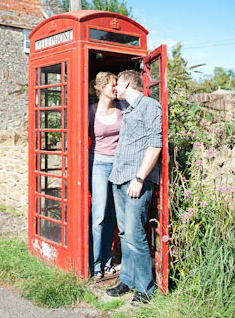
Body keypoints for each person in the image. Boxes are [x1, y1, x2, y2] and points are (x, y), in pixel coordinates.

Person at [106, 70, 162, 306]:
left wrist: (139, 179)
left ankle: (145, 288)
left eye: (117, 83)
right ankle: (126, 281)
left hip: (135, 181)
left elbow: (155, 144)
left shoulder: (149, 105)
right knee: (124, 234)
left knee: (136, 236)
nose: (115, 87)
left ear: (127, 82)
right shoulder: (127, 110)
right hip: (118, 178)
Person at [88, 72, 123, 279]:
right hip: (98, 164)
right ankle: (96, 261)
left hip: (118, 165)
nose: (116, 88)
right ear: (102, 87)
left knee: (112, 216)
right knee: (99, 215)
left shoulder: (122, 109)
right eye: (113, 85)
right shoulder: (90, 111)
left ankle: (107, 259)